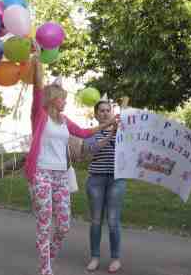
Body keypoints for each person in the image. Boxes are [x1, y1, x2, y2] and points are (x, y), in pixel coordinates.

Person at [25, 58, 117, 275]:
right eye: (63, 99)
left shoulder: (65, 121)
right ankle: (45, 268)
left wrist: (109, 124)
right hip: (41, 174)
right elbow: (37, 88)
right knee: (45, 222)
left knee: (64, 226)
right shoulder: (40, 116)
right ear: (53, 99)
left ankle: (48, 257)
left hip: (61, 176)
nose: (65, 102)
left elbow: (84, 133)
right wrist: (37, 61)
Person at [84, 99, 125, 273]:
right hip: (96, 180)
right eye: (101, 110)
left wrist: (118, 133)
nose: (105, 113)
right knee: (95, 221)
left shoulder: (122, 132)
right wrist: (109, 134)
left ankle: (115, 258)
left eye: (108, 110)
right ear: (96, 114)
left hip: (117, 180)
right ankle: (94, 257)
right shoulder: (92, 132)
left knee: (113, 221)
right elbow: (91, 150)